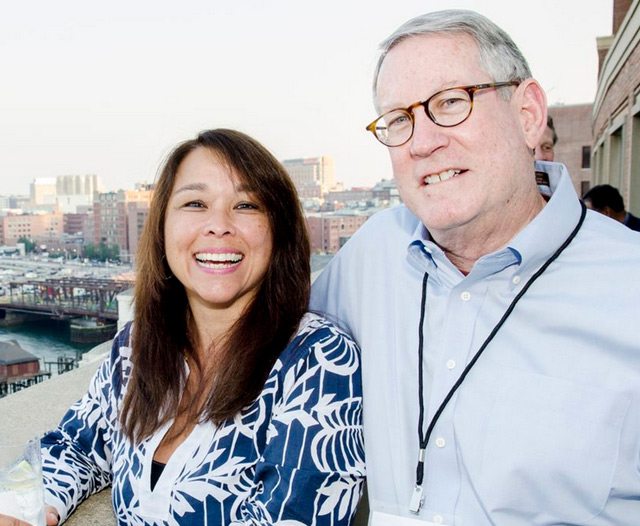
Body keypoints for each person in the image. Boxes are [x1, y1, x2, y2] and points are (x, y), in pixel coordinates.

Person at [311, 9, 640, 526]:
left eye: (450, 102)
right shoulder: (370, 256)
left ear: (528, 114)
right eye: (399, 119)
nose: (422, 142)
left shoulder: (629, 286)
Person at [2, 129, 364, 526]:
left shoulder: (319, 362)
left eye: (246, 205)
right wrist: (24, 508)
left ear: (279, 230)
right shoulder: (138, 345)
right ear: (162, 227)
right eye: (195, 203)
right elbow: (76, 444)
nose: (219, 225)